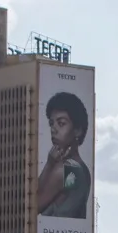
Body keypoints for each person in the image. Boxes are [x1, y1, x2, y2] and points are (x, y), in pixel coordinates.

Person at [36, 90, 92, 218]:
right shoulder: (80, 168)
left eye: (61, 123)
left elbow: (32, 206)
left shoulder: (65, 170)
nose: (53, 129)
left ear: (77, 130)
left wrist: (49, 165)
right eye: (51, 123)